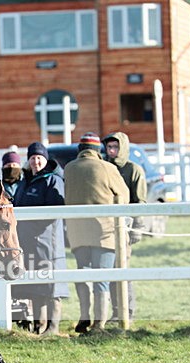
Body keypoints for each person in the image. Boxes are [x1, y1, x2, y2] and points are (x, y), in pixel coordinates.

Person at [64, 132, 129, 334]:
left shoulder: (69, 168)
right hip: (104, 232)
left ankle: (84, 318)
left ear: (80, 150)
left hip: (76, 232)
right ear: (97, 151)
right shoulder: (107, 168)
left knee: (83, 275)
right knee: (101, 279)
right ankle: (99, 324)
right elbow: (123, 196)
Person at [12, 142, 68, 335]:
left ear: (45, 159)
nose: (36, 162)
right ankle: (38, 325)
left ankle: (53, 326)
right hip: (27, 241)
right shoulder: (24, 181)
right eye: (32, 158)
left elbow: (55, 210)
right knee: (34, 284)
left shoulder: (53, 180)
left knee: (52, 285)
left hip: (48, 241)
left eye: (39, 158)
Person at [103, 132, 146, 324]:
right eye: (109, 147)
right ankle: (115, 311)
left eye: (115, 147)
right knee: (110, 271)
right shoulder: (104, 168)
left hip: (125, 228)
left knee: (123, 270)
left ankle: (127, 311)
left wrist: (138, 226)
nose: (111, 151)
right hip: (106, 229)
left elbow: (140, 201)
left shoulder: (133, 170)